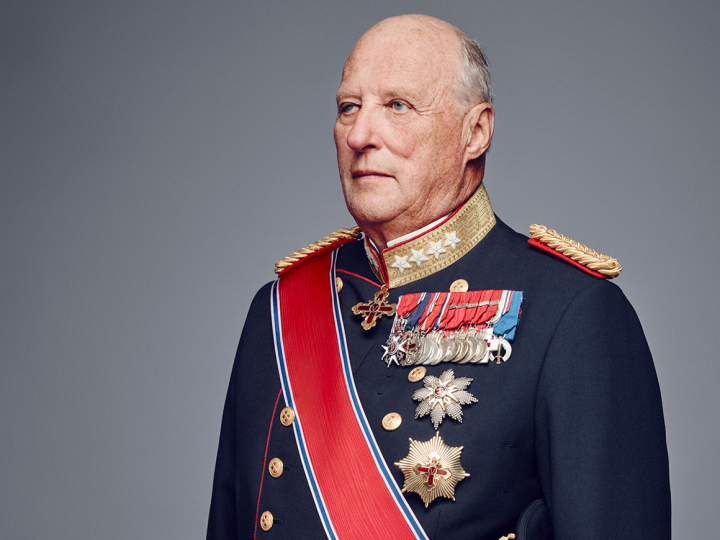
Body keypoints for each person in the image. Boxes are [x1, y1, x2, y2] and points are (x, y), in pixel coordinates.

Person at [207, 14, 670, 540]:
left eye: (397, 106)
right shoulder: (279, 309)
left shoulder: (572, 313)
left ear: (476, 132)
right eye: (348, 107)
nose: (359, 135)